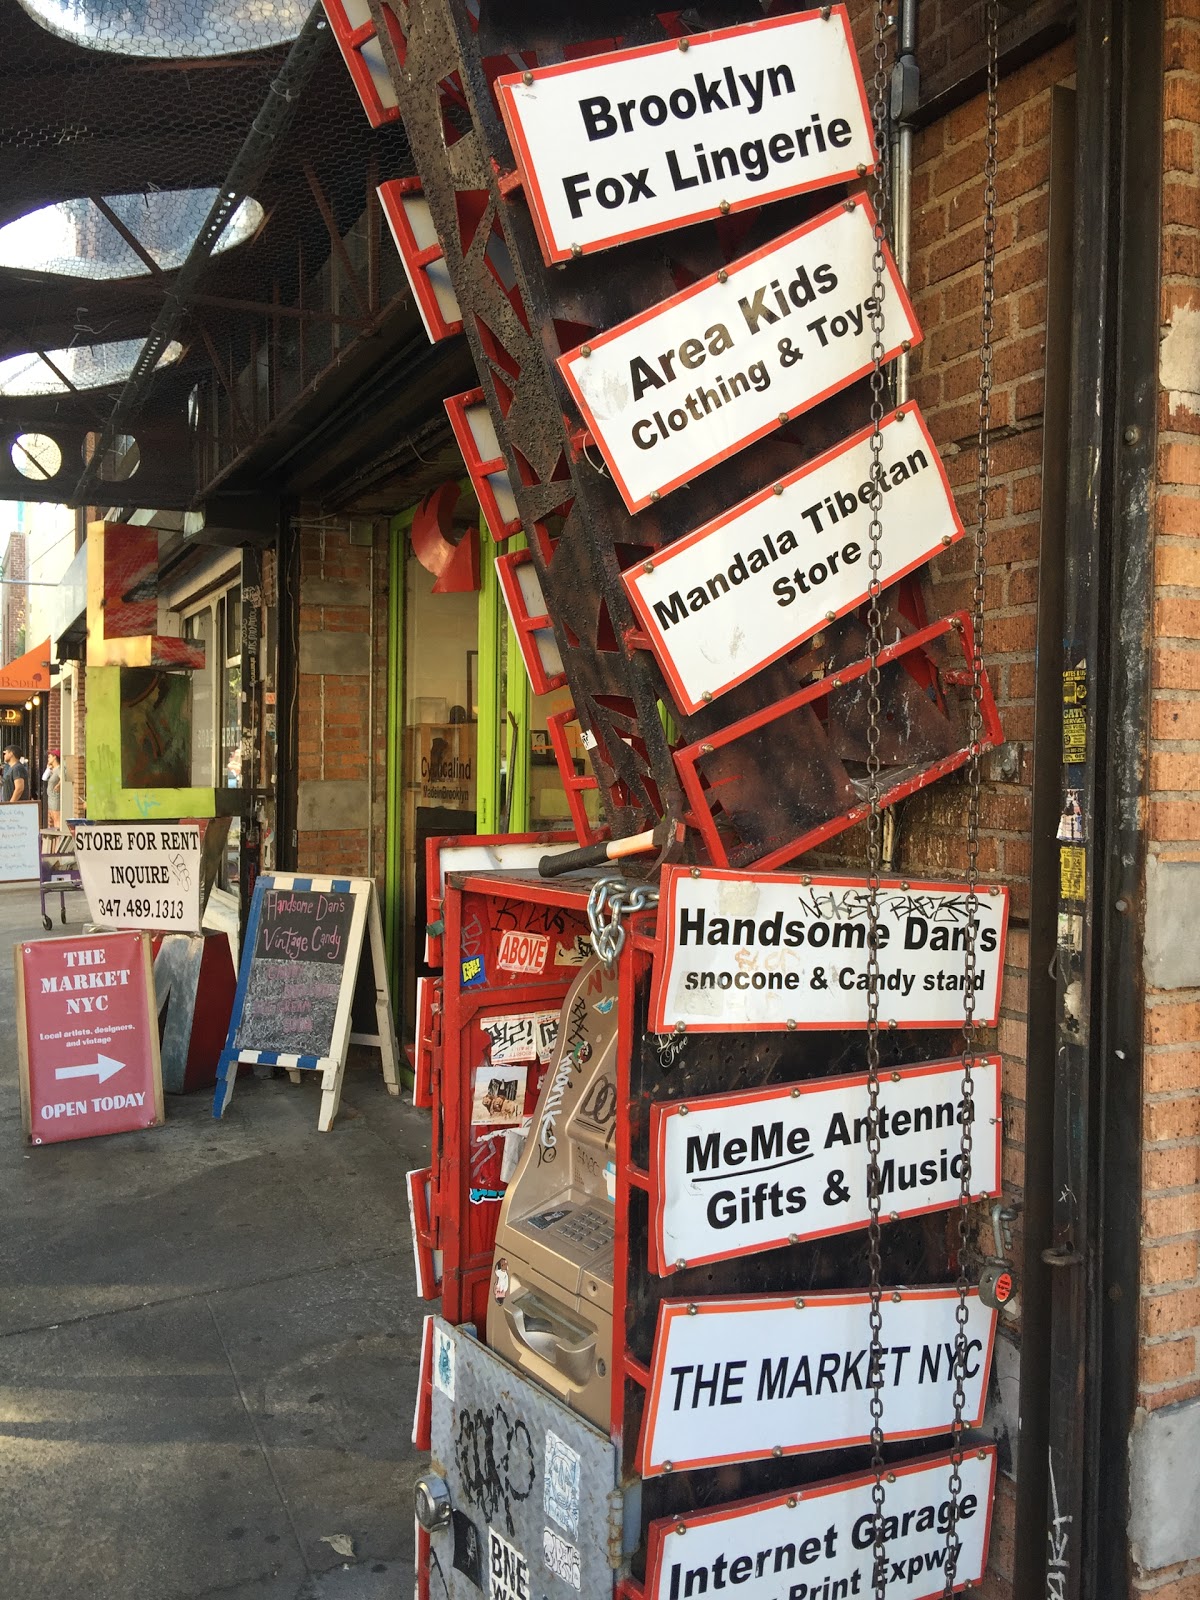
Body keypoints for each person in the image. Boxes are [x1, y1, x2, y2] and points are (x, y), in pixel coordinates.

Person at [43, 750, 61, 829]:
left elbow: (62, 778)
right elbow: (44, 778)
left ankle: (59, 838)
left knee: (57, 818)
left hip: (55, 797)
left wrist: (58, 785)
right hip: (51, 797)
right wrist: (48, 769)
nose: (48, 758)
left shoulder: (59, 769)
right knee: (53, 818)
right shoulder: (52, 770)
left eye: (50, 756)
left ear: (55, 757)